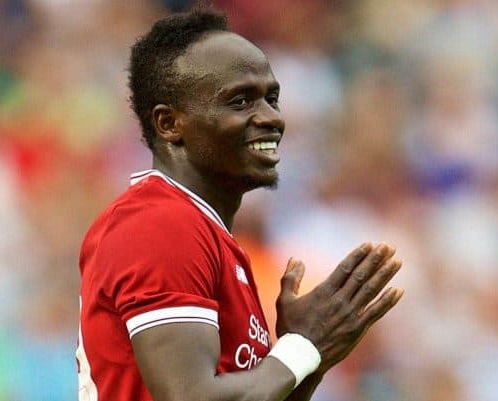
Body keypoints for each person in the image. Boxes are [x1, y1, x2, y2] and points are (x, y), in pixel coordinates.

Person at [76, 9, 404, 401]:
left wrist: (310, 354)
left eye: (272, 98)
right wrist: (304, 347)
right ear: (169, 124)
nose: (271, 118)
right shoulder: (159, 223)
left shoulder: (209, 236)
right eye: (241, 101)